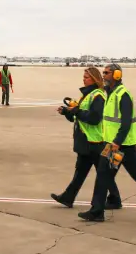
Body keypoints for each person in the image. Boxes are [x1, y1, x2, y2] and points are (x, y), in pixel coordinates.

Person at [79, 62, 136, 223]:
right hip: (112, 145)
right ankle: (97, 211)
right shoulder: (110, 93)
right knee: (103, 175)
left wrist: (117, 141)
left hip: (123, 146)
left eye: (107, 73)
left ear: (117, 75)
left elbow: (126, 122)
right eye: (103, 73)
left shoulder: (123, 94)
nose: (104, 75)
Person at [51, 66, 122, 209]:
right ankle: (68, 197)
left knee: (101, 172)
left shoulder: (98, 96)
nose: (84, 79)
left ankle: (114, 199)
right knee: (82, 171)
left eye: (86, 77)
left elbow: (94, 118)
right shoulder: (86, 95)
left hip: (95, 141)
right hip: (86, 141)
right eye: (83, 77)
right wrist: (67, 112)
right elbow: (78, 117)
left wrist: (77, 111)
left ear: (94, 79)